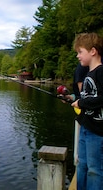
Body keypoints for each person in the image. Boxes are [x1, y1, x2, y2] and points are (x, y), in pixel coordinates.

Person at [71, 32, 103, 190]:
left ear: (93, 51)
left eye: (80, 52)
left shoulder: (101, 72)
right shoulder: (88, 74)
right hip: (85, 127)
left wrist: (82, 102)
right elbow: (88, 99)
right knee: (81, 164)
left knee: (94, 170)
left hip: (97, 132)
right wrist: (75, 102)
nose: (78, 56)